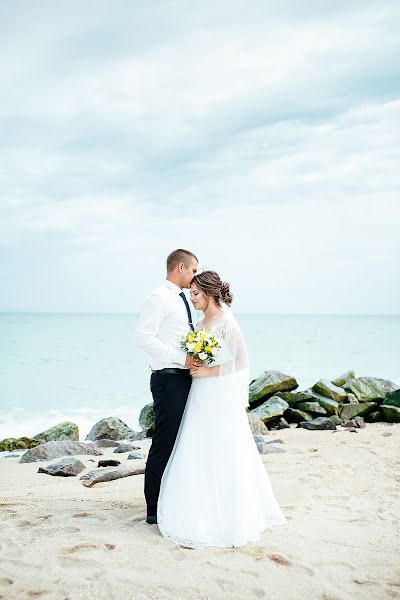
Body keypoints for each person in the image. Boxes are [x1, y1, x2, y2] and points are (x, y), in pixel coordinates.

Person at [157, 270, 288, 549]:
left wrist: (208, 372)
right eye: (190, 293)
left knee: (223, 446)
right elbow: (196, 356)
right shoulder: (200, 323)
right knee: (197, 445)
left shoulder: (227, 323)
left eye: (194, 294)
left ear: (208, 293)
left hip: (217, 393)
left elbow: (241, 362)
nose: (191, 298)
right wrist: (192, 364)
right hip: (199, 394)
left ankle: (229, 513)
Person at [135, 248, 200, 524]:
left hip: (183, 376)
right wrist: (180, 358)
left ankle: (172, 500)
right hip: (168, 378)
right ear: (181, 267)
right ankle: (153, 508)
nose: (195, 276)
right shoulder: (159, 298)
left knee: (182, 440)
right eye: (194, 270)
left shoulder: (181, 298)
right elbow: (142, 337)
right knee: (164, 441)